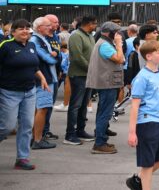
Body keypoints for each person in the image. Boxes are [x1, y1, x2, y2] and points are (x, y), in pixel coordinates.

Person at [125, 40, 159, 190]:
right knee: (147, 164)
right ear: (149, 56)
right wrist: (132, 132)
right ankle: (143, 184)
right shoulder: (142, 77)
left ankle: (137, 179)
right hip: (147, 123)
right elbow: (135, 106)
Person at [0, 19, 51, 170]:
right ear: (13, 32)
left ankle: (22, 158)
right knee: (7, 127)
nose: (24, 31)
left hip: (29, 92)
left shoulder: (31, 45)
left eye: (27, 28)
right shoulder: (5, 46)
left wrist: (42, 79)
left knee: (27, 126)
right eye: (20, 28)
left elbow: (34, 66)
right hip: (9, 92)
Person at [87, 22, 126, 154]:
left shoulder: (104, 43)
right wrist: (119, 44)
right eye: (117, 33)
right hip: (107, 83)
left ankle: (101, 139)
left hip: (107, 82)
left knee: (103, 112)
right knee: (105, 113)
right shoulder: (105, 45)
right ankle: (99, 144)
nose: (119, 35)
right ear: (111, 33)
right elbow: (120, 59)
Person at [64, 15, 98, 146]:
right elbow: (77, 57)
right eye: (95, 24)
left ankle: (80, 130)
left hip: (88, 75)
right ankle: (70, 134)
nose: (96, 26)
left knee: (84, 105)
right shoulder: (76, 36)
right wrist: (91, 69)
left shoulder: (89, 36)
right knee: (75, 105)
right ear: (89, 24)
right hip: (78, 75)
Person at [31, 17, 59, 150]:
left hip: (47, 78)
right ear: (39, 27)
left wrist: (55, 54)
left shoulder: (42, 39)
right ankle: (37, 139)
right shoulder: (35, 40)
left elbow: (57, 55)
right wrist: (54, 55)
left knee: (41, 109)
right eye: (47, 25)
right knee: (42, 109)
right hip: (43, 80)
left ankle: (36, 137)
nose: (51, 27)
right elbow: (50, 59)